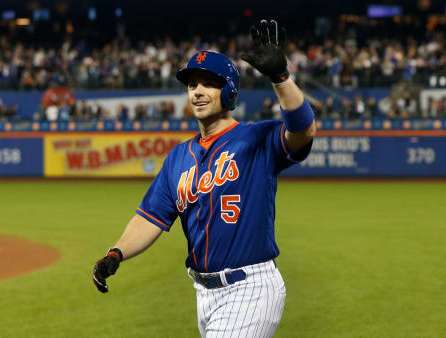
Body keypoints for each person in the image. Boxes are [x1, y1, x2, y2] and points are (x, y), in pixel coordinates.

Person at [93, 19, 316, 337]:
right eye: (191, 84)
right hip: (204, 293)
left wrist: (280, 77)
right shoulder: (178, 158)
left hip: (250, 287)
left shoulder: (257, 139)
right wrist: (115, 253)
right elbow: (151, 218)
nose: (197, 91)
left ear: (229, 91)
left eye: (208, 83)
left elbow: (303, 130)